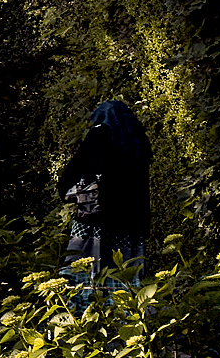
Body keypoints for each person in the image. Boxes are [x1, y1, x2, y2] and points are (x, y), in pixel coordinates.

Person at [61, 98, 154, 280]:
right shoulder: (137, 140)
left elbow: (73, 172)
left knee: (87, 269)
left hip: (95, 219)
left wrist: (69, 192)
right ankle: (125, 306)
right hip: (130, 222)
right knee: (125, 271)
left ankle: (86, 305)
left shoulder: (99, 135)